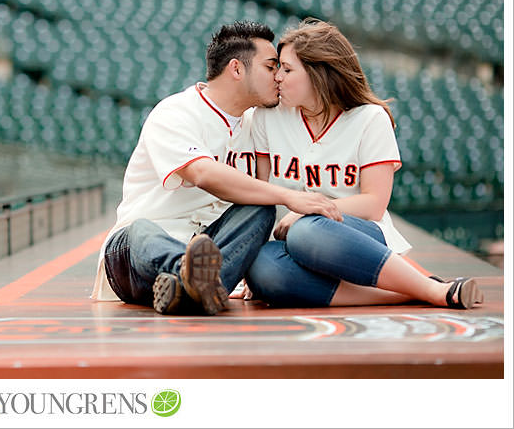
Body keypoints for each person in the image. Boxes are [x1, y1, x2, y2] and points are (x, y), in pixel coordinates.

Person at [91, 21, 342, 315]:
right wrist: (287, 196)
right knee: (140, 230)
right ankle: (195, 277)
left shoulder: (259, 125)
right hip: (135, 262)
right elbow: (202, 173)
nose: (278, 77)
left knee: (260, 209)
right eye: (270, 66)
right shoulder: (175, 112)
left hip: (210, 250)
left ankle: (189, 291)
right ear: (236, 69)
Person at [244, 19, 483, 309]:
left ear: (319, 73)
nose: (277, 77)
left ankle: (433, 293)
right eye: (278, 67)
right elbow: (260, 192)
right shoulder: (267, 117)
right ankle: (418, 289)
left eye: (287, 68)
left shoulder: (370, 118)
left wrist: (307, 211)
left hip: (355, 237)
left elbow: (373, 205)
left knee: (308, 232)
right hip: (290, 242)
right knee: (263, 268)